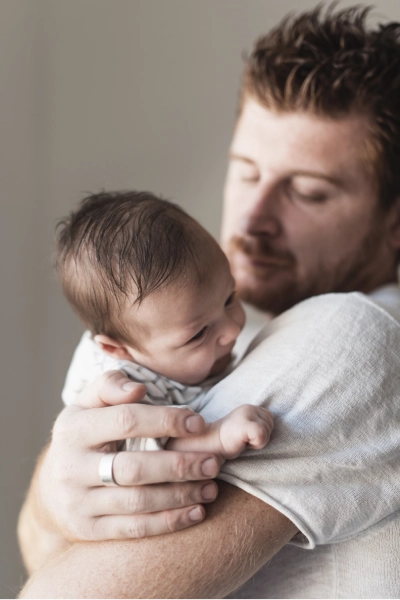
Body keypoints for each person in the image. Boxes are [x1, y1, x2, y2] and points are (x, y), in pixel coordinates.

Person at [17, 5, 400, 598]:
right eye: (246, 173)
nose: (252, 221)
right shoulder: (224, 343)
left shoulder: (354, 333)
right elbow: (40, 550)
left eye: (307, 192)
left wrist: (53, 510)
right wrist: (52, 503)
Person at [57, 190, 273, 459]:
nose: (231, 332)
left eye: (229, 298)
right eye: (198, 334)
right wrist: (217, 435)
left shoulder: (161, 344)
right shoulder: (123, 387)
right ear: (118, 349)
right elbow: (142, 452)